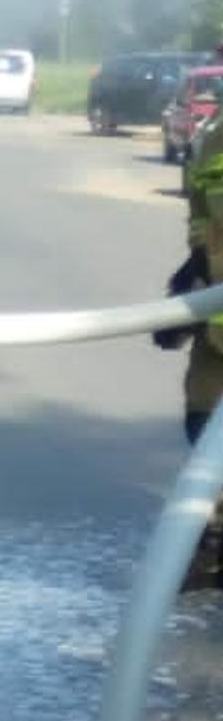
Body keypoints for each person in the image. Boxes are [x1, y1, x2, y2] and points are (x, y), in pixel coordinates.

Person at [160, 101, 223, 590]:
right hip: (216, 320)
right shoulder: (211, 138)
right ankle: (210, 540)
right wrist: (191, 277)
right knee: (203, 419)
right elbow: (201, 221)